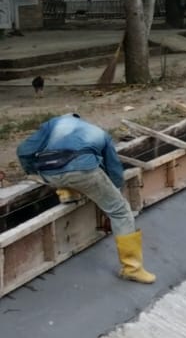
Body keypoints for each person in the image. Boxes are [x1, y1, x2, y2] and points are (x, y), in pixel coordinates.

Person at [16, 113, 154, 283]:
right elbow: (113, 168)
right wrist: (115, 191)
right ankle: (132, 268)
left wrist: (31, 170)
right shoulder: (99, 133)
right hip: (83, 171)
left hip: (49, 173)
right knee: (120, 211)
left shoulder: (53, 125)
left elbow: (24, 150)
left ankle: (68, 192)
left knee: (68, 176)